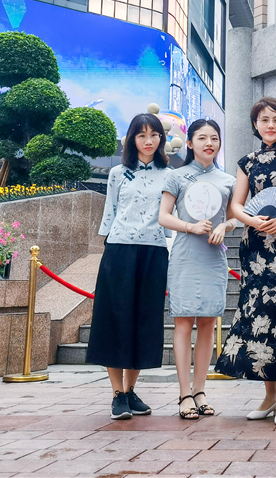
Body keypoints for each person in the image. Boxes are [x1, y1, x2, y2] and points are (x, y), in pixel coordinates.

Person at [215, 97, 276, 425]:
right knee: (256, 313)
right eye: (264, 119)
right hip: (254, 244)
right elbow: (236, 205)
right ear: (255, 124)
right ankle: (269, 394)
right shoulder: (247, 161)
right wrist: (252, 221)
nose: (270, 125)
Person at [86, 112, 170, 420]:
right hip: (120, 249)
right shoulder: (118, 173)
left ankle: (131, 390)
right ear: (131, 139)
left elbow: (172, 215)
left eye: (154, 135)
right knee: (115, 318)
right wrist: (106, 243)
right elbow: (110, 210)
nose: (148, 141)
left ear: (161, 139)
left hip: (155, 251)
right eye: (141, 135)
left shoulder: (169, 175)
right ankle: (117, 394)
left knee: (144, 320)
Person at [159, 119, 236, 420]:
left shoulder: (228, 180)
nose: (209, 143)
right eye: (202, 138)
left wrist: (224, 227)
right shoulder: (176, 176)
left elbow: (235, 217)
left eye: (214, 138)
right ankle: (184, 394)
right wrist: (189, 226)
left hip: (214, 257)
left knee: (207, 324)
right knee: (183, 324)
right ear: (189, 143)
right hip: (185, 256)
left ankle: (200, 391)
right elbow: (164, 216)